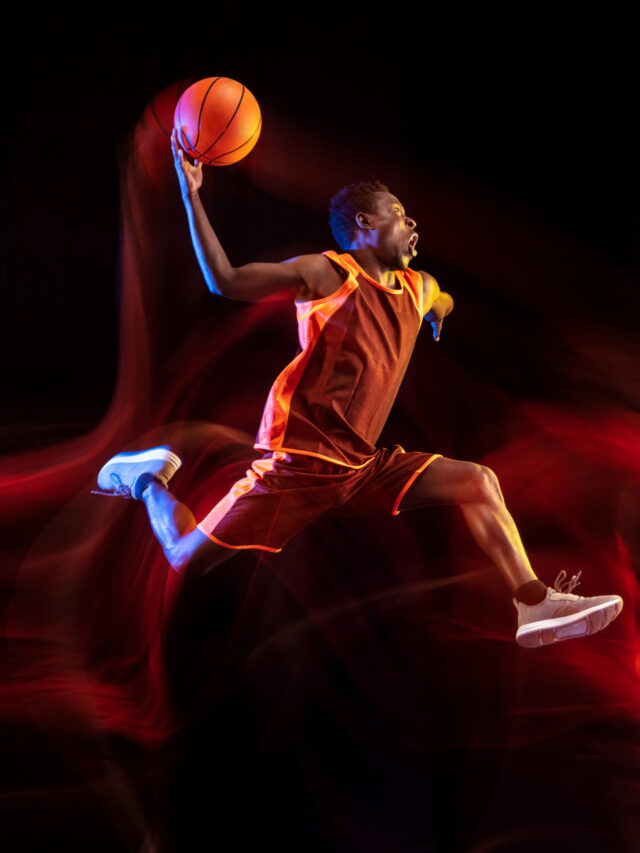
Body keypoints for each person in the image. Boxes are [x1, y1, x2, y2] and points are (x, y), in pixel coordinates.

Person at [96, 130, 623, 648]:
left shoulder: (419, 287)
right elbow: (226, 280)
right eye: (399, 213)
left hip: (361, 465)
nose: (412, 223)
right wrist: (191, 194)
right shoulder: (327, 273)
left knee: (478, 480)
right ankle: (146, 480)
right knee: (185, 557)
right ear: (365, 224)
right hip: (299, 462)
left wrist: (440, 312)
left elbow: (442, 298)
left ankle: (533, 603)